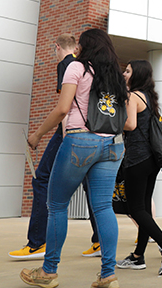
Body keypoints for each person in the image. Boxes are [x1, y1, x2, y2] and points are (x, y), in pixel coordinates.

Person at [21, 28, 131, 288]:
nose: (78, 48)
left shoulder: (77, 68)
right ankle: (108, 274)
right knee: (103, 207)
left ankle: (48, 272)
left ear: (86, 47)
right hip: (113, 145)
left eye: (80, 44)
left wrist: (36, 135)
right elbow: (125, 118)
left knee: (57, 205)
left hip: (81, 141)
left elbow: (62, 109)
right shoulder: (116, 75)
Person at [10, 34, 101, 260]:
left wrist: (45, 135)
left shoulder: (67, 64)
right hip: (93, 133)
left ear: (57, 47)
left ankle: (37, 243)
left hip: (70, 133)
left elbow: (65, 107)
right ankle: (100, 240)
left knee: (41, 179)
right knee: (92, 187)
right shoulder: (91, 67)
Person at [116, 60, 162, 274]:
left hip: (137, 159)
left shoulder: (133, 96)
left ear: (137, 74)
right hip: (151, 161)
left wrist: (115, 119)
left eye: (128, 70)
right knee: (143, 208)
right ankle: (137, 256)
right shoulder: (149, 98)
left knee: (136, 209)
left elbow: (130, 124)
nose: (124, 73)